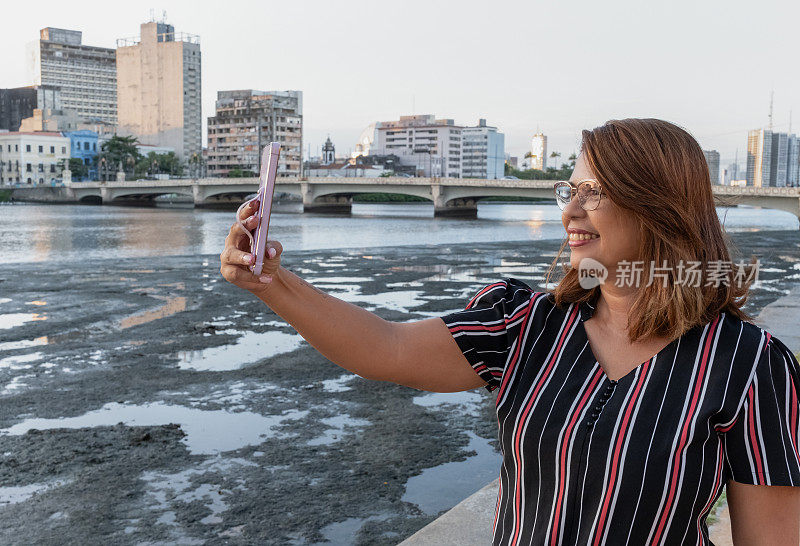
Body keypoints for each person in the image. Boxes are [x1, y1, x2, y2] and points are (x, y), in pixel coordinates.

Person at [220, 118, 800, 545]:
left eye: (591, 192)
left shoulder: (749, 365)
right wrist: (272, 283)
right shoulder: (525, 323)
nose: (570, 210)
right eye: (567, 191)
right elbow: (386, 347)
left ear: (659, 207)